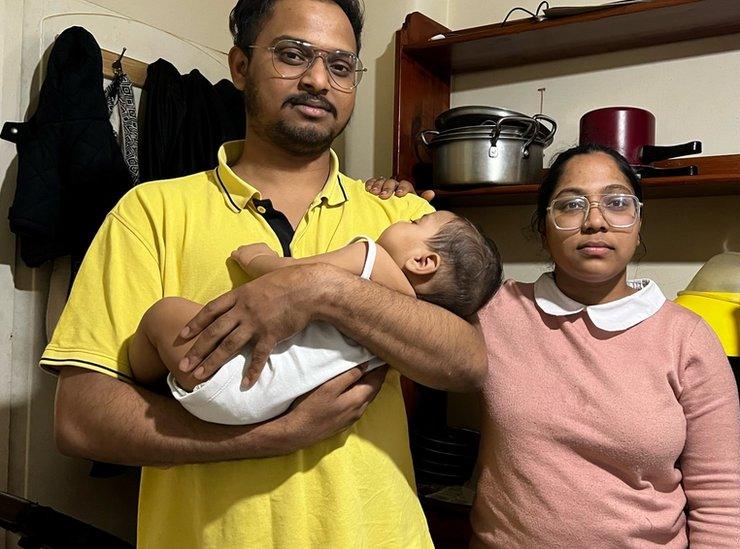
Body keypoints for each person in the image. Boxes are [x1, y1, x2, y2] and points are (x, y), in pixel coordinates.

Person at [43, 0, 490, 547]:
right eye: (292, 54)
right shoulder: (149, 212)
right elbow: (81, 419)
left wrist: (320, 288)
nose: (319, 80)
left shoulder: (400, 217)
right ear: (239, 67)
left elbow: (466, 363)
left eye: (342, 65)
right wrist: (267, 437)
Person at [471, 143, 740, 547]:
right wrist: (398, 208)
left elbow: (718, 502)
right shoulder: (497, 311)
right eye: (571, 205)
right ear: (544, 228)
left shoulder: (687, 338)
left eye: (617, 203)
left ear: (638, 225)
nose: (595, 221)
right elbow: (409, 297)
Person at [129, 211, 502, 425]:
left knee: (162, 315)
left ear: (423, 261)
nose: (406, 216)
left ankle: (140, 373)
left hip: (236, 372)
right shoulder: (412, 323)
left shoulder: (369, 259)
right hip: (270, 405)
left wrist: (255, 257)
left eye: (417, 221)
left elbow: (286, 274)